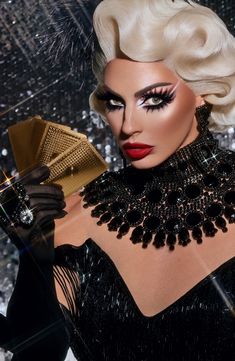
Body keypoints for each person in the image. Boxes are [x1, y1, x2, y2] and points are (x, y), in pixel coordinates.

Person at [1, 0, 235, 360]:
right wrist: (34, 255)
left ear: (202, 91)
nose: (127, 126)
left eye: (154, 100)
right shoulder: (74, 215)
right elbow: (37, 353)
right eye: (114, 102)